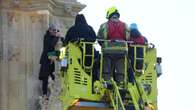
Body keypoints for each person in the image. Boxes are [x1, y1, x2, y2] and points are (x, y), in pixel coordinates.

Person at [97, 6, 130, 84]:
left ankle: (107, 82)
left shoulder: (104, 25)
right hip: (122, 51)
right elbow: (128, 38)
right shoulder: (125, 25)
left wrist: (104, 45)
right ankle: (121, 83)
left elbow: (100, 38)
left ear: (109, 15)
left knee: (107, 68)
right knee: (120, 69)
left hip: (108, 51)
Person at [39, 24, 62, 100]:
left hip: (53, 59)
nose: (55, 32)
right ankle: (45, 94)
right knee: (45, 78)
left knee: (54, 76)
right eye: (54, 30)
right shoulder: (47, 37)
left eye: (56, 31)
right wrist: (57, 37)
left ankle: (52, 94)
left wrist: (59, 37)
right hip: (46, 60)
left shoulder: (55, 37)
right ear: (49, 30)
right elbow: (51, 46)